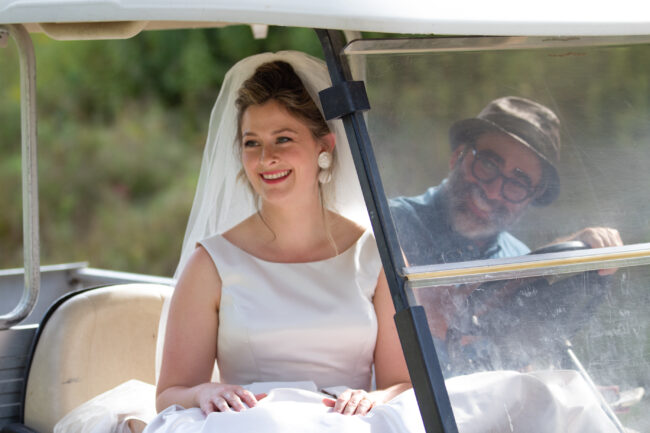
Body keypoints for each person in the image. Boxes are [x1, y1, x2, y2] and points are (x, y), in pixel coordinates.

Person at [144, 51, 417, 433]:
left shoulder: (376, 254)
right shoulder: (212, 263)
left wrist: (375, 398)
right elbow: (171, 392)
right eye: (252, 143)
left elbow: (403, 384)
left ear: (324, 146)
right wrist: (202, 393)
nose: (265, 158)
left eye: (283, 139)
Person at [390, 96, 623, 375]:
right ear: (458, 157)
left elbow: (517, 367)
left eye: (518, 182)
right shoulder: (390, 225)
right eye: (487, 164)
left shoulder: (518, 257)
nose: (492, 191)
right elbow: (445, 315)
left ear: (531, 197)